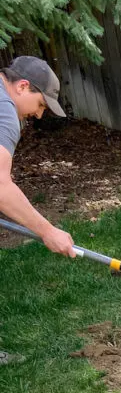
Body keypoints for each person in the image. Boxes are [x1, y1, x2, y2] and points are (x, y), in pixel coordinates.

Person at [0, 56, 75, 364]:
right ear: (22, 86)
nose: (39, 115)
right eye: (41, 104)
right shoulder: (4, 111)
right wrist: (47, 230)